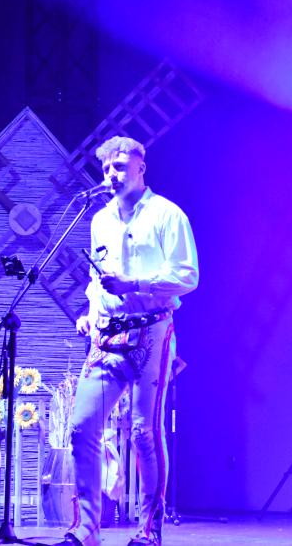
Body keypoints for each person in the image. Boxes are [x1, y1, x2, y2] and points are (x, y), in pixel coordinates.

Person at [54, 136, 198, 546]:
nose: (111, 174)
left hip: (152, 329)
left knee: (143, 432)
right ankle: (86, 529)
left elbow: (188, 275)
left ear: (140, 167)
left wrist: (134, 283)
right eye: (106, 168)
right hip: (106, 333)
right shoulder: (99, 219)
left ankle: (149, 530)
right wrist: (89, 311)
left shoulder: (167, 214)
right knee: (82, 426)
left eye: (119, 166)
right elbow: (96, 278)